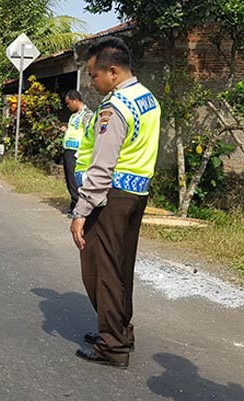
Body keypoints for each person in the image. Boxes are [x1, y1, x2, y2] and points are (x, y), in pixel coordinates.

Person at [69, 37, 161, 368]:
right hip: (137, 194)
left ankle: (112, 345)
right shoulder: (147, 98)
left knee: (100, 271)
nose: (91, 83)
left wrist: (81, 211)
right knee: (121, 267)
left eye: (93, 76)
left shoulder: (115, 106)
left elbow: (103, 164)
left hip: (110, 198)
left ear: (112, 71)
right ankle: (121, 331)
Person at [60, 90, 94, 216]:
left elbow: (88, 132)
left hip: (78, 152)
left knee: (76, 181)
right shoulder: (74, 115)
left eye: (69, 103)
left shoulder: (87, 115)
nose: (67, 106)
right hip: (68, 150)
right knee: (70, 180)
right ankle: (73, 204)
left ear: (75, 100)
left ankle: (78, 207)